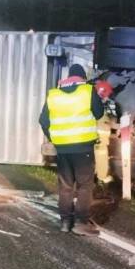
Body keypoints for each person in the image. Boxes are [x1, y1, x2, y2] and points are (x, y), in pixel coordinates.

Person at [39, 65, 106, 235]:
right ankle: (81, 222)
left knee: (66, 185)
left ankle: (65, 222)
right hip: (83, 147)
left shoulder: (53, 95)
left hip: (62, 148)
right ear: (83, 78)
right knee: (84, 185)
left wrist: (55, 138)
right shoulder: (87, 91)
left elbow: (43, 121)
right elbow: (98, 114)